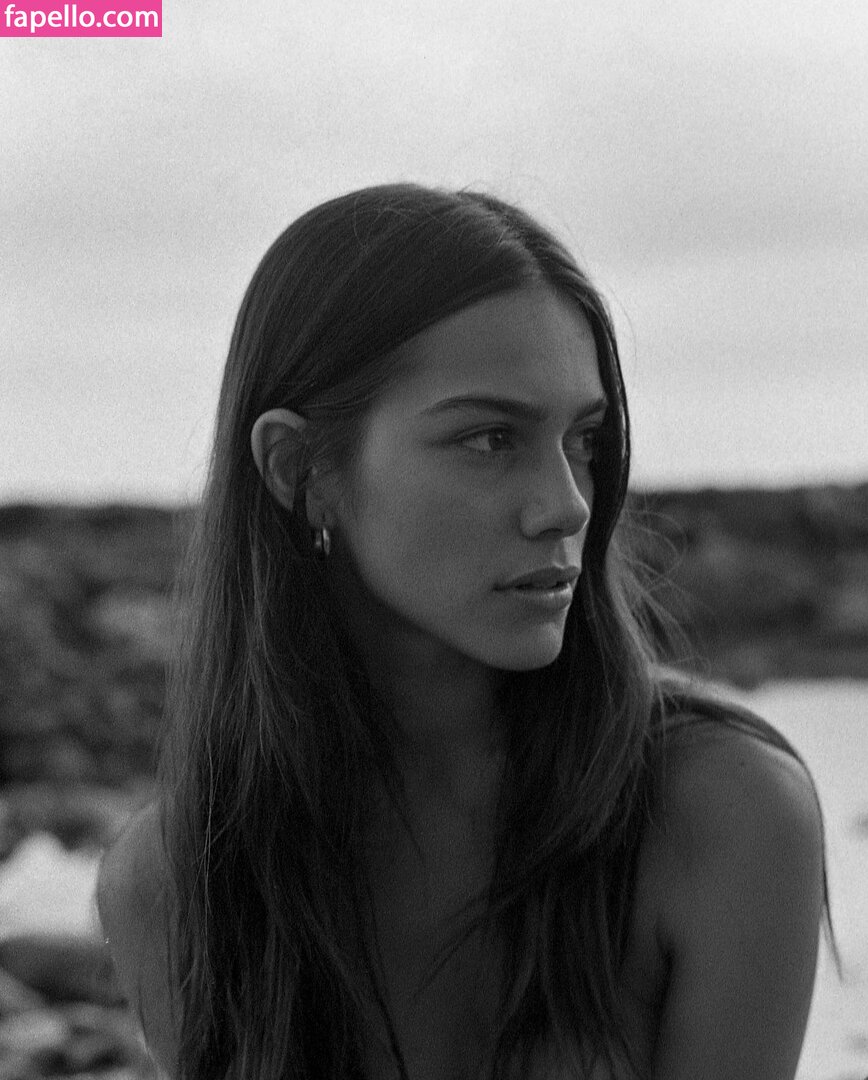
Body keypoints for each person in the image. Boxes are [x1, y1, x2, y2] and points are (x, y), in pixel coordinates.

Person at [97, 183, 832, 1080]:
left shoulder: (716, 811)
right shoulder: (176, 885)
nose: (566, 504)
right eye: (490, 439)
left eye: (584, 440)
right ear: (301, 470)